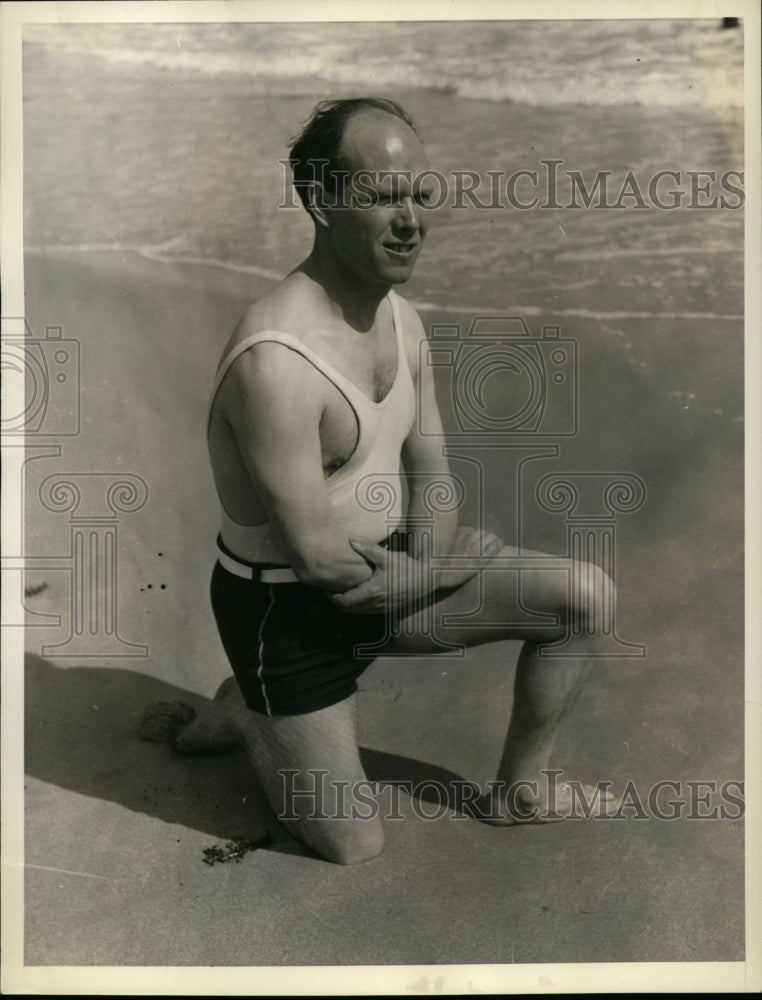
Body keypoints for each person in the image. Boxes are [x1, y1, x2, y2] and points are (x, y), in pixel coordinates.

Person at [194, 97, 617, 864]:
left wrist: (425, 568)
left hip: (392, 579)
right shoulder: (275, 362)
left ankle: (520, 791)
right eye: (384, 195)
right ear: (322, 201)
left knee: (585, 598)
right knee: (351, 844)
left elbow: (437, 477)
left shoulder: (403, 320)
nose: (411, 218)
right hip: (286, 613)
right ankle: (249, 712)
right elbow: (319, 562)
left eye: (420, 194)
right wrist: (445, 566)